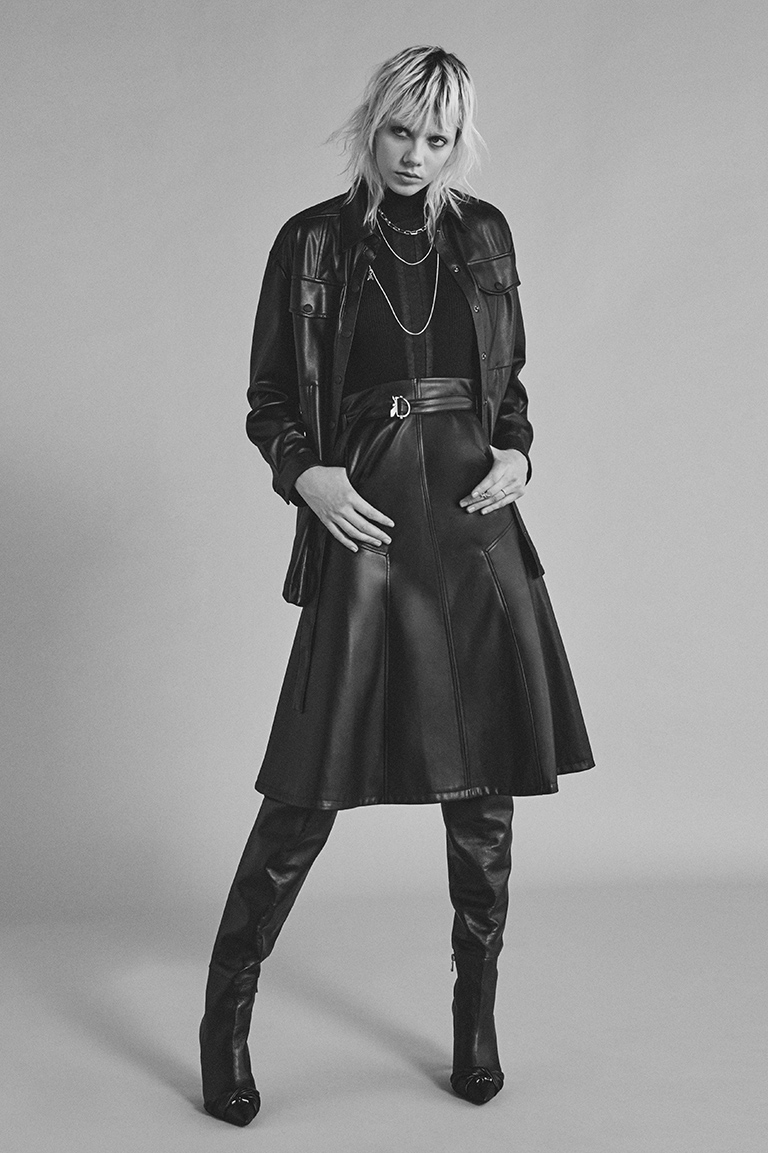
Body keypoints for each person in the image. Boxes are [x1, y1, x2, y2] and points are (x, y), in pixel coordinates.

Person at [199, 45, 594, 1126]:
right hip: (366, 521)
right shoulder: (313, 243)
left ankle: (476, 1016)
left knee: (486, 788)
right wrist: (307, 475)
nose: (417, 154)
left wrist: (519, 455)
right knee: (307, 787)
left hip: (472, 524)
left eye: (438, 137)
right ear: (369, 126)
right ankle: (226, 1013)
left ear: (460, 140)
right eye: (400, 131)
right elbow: (269, 399)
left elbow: (509, 389)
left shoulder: (486, 236)